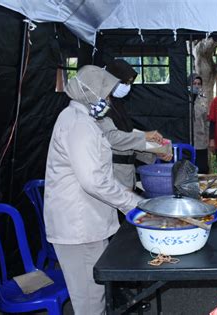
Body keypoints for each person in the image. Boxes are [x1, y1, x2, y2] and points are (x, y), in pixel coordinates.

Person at [44, 65, 143, 314]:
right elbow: (94, 181)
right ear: (91, 93)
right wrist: (134, 203)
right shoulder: (80, 124)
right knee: (90, 301)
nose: (109, 100)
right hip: (80, 226)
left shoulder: (79, 118)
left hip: (84, 220)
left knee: (92, 296)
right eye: (106, 94)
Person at [101, 59, 172, 190]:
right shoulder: (100, 107)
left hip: (127, 173)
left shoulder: (118, 104)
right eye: (125, 82)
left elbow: (128, 139)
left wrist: (155, 152)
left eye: (130, 83)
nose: (127, 86)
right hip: (111, 174)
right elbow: (113, 139)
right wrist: (145, 136)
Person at [189, 73, 210, 174]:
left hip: (201, 141)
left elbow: (206, 121)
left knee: (202, 169)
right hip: (187, 141)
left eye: (199, 84)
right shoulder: (182, 99)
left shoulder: (203, 100)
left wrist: (208, 138)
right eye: (194, 83)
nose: (196, 86)